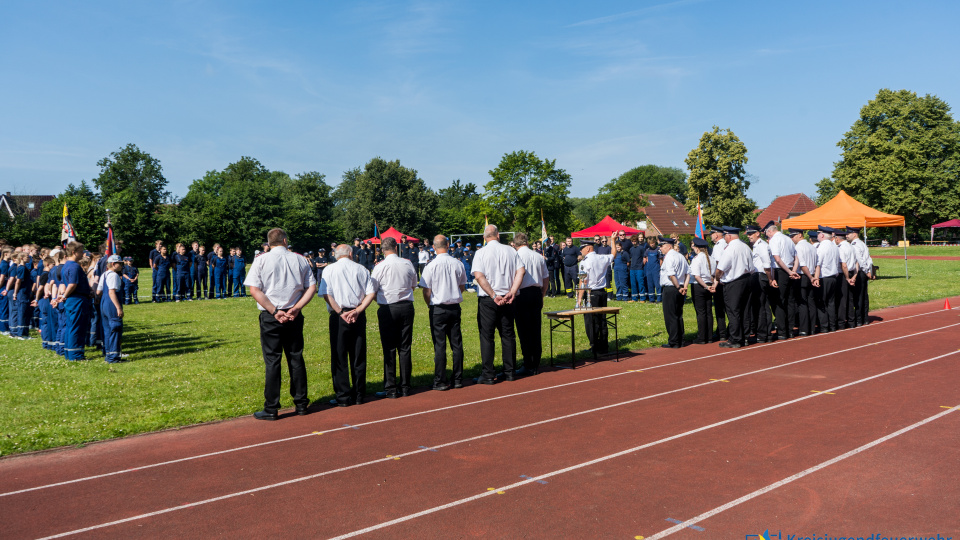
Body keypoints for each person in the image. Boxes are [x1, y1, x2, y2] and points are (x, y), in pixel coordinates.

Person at [244, 228, 317, 420]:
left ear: (269, 243)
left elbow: (254, 290)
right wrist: (297, 307)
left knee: (273, 361)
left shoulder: (261, 260)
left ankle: (272, 407)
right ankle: (301, 403)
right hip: (293, 313)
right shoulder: (300, 259)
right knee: (296, 357)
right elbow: (312, 287)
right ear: (285, 240)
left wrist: (274, 311)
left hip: (271, 316)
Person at [321, 244, 376, 406]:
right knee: (358, 354)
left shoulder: (329, 270)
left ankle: (343, 396)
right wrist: (358, 311)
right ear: (351, 254)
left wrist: (340, 312)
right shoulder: (362, 269)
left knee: (339, 355)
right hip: (357, 314)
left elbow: (326, 293)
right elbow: (371, 293)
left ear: (336, 255)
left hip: (339, 315)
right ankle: (359, 394)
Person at [472, 224, 525, 383]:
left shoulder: (481, 252)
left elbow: (479, 276)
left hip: (490, 299)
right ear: (498, 235)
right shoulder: (510, 250)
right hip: (508, 297)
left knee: (487, 336)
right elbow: (521, 271)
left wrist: (493, 295)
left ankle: (488, 374)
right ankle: (509, 372)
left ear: (484, 237)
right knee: (508, 335)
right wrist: (513, 291)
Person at [370, 237, 419, 398]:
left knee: (389, 348)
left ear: (383, 250)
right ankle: (405, 386)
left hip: (388, 308)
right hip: (405, 306)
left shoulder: (379, 267)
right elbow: (413, 284)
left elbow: (373, 290)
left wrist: (382, 301)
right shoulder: (407, 264)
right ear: (396, 248)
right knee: (405, 347)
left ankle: (390, 388)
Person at [420, 234, 467, 390]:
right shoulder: (457, 263)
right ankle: (458, 378)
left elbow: (426, 291)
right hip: (454, 306)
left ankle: (440, 380)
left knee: (440, 345)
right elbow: (462, 287)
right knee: (456, 344)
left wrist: (429, 305)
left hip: (438, 308)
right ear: (447, 245)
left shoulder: (430, 266)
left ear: (433, 247)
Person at [513, 232, 549, 376]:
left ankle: (528, 362)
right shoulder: (538, 256)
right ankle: (536, 362)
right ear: (527, 242)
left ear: (515, 244)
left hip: (521, 294)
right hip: (536, 293)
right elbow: (546, 277)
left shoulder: (516, 256)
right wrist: (542, 294)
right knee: (535, 329)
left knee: (523, 330)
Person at [577, 233, 616, 355]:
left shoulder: (585, 262)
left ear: (588, 248)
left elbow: (583, 281)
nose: (581, 251)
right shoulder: (601, 257)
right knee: (602, 320)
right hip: (602, 293)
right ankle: (603, 345)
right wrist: (613, 240)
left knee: (591, 321)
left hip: (590, 294)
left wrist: (578, 299)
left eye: (582, 248)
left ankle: (594, 345)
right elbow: (613, 254)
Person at [716, 227, 753, 348]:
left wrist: (717, 278)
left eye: (725, 236)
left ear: (729, 236)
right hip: (747, 279)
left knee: (733, 311)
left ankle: (735, 339)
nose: (725, 238)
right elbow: (752, 267)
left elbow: (720, 268)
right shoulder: (745, 246)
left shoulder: (730, 248)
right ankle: (745, 336)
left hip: (734, 282)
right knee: (745, 310)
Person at [766, 221, 799, 339]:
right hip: (790, 269)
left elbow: (777, 259)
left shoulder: (775, 240)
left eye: (767, 234)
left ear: (770, 231)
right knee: (790, 301)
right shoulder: (788, 239)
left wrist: (789, 272)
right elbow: (796, 257)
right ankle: (790, 329)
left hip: (781, 271)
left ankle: (782, 331)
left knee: (779, 301)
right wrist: (793, 270)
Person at [58, 242, 92, 360]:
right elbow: (72, 284)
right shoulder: (74, 266)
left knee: (71, 326)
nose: (83, 253)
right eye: (81, 251)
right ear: (74, 252)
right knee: (77, 327)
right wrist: (64, 296)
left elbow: (63, 283)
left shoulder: (66, 266)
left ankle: (69, 352)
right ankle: (75, 355)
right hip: (77, 300)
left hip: (72, 300)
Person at [659, 236, 690, 348]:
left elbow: (671, 275)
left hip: (672, 288)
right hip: (680, 287)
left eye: (662, 246)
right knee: (678, 315)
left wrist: (678, 287)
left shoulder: (669, 257)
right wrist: (684, 287)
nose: (660, 248)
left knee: (670, 315)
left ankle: (674, 341)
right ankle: (681, 339)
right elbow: (688, 273)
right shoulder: (680, 256)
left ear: (669, 246)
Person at [745, 225, 775, 343]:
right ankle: (766, 332)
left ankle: (763, 334)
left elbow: (766, 264)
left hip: (761, 276)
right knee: (763, 305)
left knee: (760, 306)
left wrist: (769, 278)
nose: (749, 236)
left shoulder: (761, 246)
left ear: (758, 233)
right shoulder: (758, 245)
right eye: (748, 234)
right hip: (761, 276)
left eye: (751, 234)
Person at [98, 255, 127, 363]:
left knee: (107, 330)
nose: (121, 266)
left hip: (104, 303)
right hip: (112, 304)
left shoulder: (104, 275)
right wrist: (118, 307)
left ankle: (108, 354)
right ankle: (114, 357)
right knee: (115, 328)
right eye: (120, 263)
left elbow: (98, 291)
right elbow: (112, 292)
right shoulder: (114, 275)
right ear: (113, 264)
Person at [688, 237, 716, 344]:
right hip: (709, 284)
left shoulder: (697, 259)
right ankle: (709, 337)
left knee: (701, 312)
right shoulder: (711, 259)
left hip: (700, 286)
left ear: (697, 248)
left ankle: (702, 337)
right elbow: (714, 275)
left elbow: (697, 276)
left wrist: (705, 286)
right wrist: (711, 285)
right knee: (708, 311)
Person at [791, 228, 817, 336]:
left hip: (803, 275)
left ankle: (804, 328)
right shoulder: (812, 246)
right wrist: (814, 277)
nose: (792, 238)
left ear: (799, 235)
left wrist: (810, 277)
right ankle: (811, 328)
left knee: (802, 303)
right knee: (811, 302)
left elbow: (802, 265)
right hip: (811, 274)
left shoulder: (798, 247)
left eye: (793, 236)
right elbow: (816, 264)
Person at [816, 226, 841, 332]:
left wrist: (816, 277)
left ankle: (824, 326)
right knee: (831, 302)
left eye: (818, 234)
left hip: (824, 277)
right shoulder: (834, 246)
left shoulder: (822, 246)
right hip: (833, 277)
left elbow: (818, 264)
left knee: (822, 302)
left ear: (822, 235)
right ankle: (832, 325)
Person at [847, 227, 873, 326]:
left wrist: (866, 271)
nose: (846, 236)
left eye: (848, 234)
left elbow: (860, 260)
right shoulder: (862, 243)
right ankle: (865, 318)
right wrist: (870, 271)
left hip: (860, 272)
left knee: (858, 296)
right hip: (864, 272)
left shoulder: (855, 245)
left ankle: (859, 319)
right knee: (864, 296)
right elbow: (869, 259)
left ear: (854, 234)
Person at [835, 228, 859, 329]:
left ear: (837, 238)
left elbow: (844, 265)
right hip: (851, 273)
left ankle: (841, 323)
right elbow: (857, 263)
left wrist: (847, 278)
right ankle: (851, 321)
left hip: (844, 275)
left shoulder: (840, 248)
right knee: (850, 299)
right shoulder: (851, 247)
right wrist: (854, 275)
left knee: (842, 299)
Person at [709, 226, 728, 339]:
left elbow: (718, 265)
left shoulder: (718, 246)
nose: (711, 236)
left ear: (716, 235)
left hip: (720, 280)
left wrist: (715, 280)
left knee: (720, 308)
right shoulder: (726, 244)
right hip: (727, 279)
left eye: (712, 234)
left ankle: (721, 332)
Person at [643, 235, 662, 303]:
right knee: (650, 285)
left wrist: (660, 268)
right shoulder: (647, 250)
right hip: (649, 270)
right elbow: (645, 258)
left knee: (657, 285)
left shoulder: (658, 250)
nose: (652, 244)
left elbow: (661, 260)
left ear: (655, 242)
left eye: (653, 243)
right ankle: (651, 299)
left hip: (656, 270)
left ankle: (659, 299)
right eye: (651, 243)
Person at [628, 234, 646, 302]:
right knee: (633, 284)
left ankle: (642, 298)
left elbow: (644, 258)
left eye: (635, 241)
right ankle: (634, 298)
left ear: (637, 241)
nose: (634, 242)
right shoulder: (631, 249)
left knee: (640, 283)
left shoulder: (641, 248)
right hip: (632, 269)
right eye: (632, 241)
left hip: (639, 269)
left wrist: (641, 265)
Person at [0, 247, 11, 335]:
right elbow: (2, 278)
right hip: (3, 288)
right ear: (6, 254)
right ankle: (4, 329)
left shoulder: (4, 263)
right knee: (4, 308)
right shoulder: (4, 264)